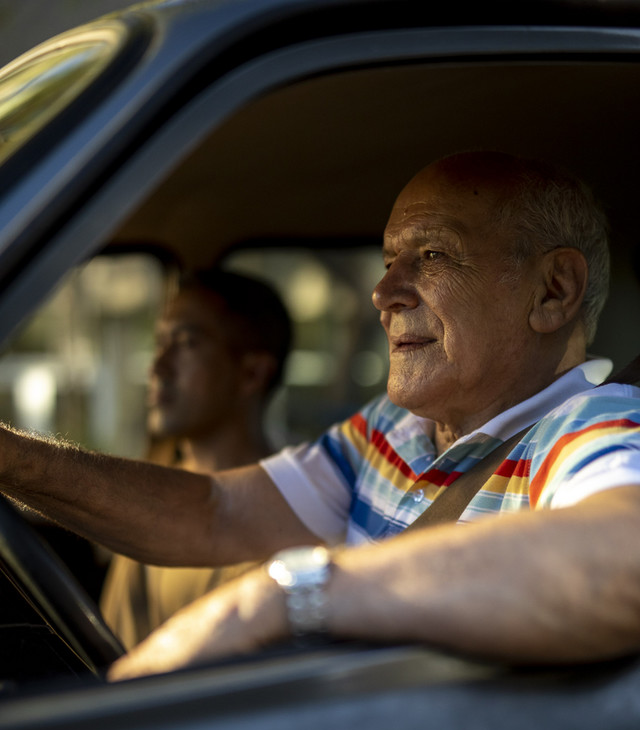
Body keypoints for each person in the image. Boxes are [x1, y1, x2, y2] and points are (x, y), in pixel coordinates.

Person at [0, 150, 638, 679]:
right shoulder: (391, 429)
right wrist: (16, 459)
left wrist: (289, 595)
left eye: (433, 256)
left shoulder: (595, 429)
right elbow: (215, 513)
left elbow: (626, 554)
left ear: (553, 292)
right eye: (390, 261)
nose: (383, 293)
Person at [100, 267, 292, 648]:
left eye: (186, 343)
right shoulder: (148, 497)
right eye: (159, 343)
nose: (157, 367)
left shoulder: (289, 516)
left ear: (252, 373)